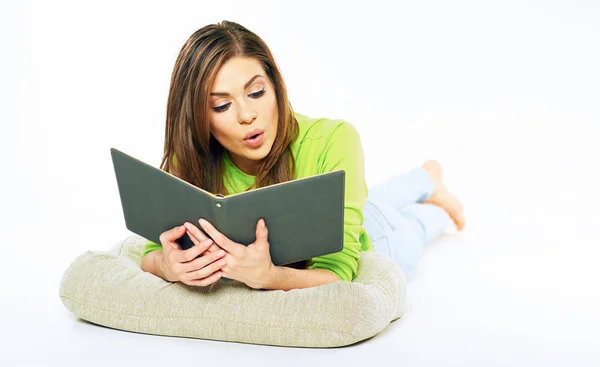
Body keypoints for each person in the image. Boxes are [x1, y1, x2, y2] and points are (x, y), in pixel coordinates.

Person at [140, 21, 466, 291]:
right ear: (198, 117)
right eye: (222, 105)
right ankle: (426, 177)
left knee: (415, 223)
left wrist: (270, 277)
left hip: (381, 235)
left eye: (256, 92)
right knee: (373, 198)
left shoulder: (335, 139)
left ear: (275, 86)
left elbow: (339, 272)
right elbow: (153, 252)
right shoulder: (192, 160)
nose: (247, 115)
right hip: (358, 209)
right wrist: (168, 266)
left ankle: (431, 192)